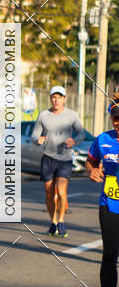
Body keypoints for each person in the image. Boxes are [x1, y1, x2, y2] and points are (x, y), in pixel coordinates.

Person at [32, 86, 85, 238]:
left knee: (61, 192)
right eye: (54, 97)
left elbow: (81, 133)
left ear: (64, 99)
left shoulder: (72, 115)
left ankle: (61, 221)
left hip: (65, 159)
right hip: (48, 158)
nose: (56, 100)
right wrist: (38, 140)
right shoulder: (43, 115)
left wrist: (74, 140)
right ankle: (53, 222)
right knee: (49, 194)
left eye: (59, 97)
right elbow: (34, 136)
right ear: (51, 99)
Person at [85, 94, 119, 287]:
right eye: (114, 118)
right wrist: (93, 171)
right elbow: (91, 160)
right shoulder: (103, 139)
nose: (117, 122)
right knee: (109, 255)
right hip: (109, 204)